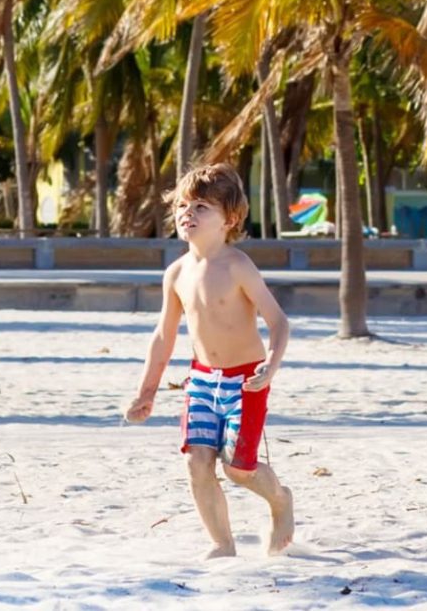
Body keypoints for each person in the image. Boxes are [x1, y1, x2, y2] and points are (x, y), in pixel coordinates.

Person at [124, 162, 297, 558]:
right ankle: (222, 542)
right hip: (201, 381)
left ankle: (281, 499)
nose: (188, 213)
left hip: (245, 381)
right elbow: (163, 336)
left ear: (229, 219)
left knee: (239, 468)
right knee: (198, 464)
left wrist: (270, 367)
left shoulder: (238, 266)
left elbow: (279, 322)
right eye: (184, 205)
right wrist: (145, 392)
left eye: (202, 207)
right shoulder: (176, 273)